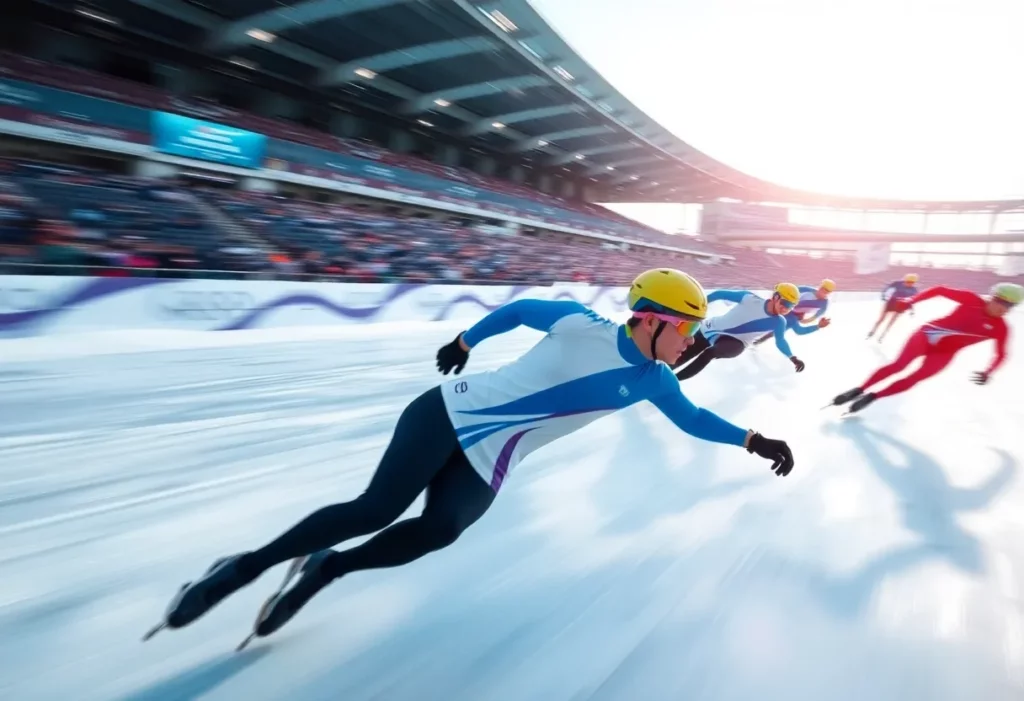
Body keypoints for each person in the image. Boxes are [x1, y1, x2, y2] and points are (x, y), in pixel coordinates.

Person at [143, 268, 795, 648]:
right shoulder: (580, 325)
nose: (689, 344)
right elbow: (519, 309)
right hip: (448, 412)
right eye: (684, 330)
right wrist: (464, 338)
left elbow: (693, 417)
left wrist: (753, 440)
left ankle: (324, 570)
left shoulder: (656, 380)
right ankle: (241, 569)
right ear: (650, 319)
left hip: (492, 455)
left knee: (440, 528)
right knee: (376, 507)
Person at [831, 281, 1022, 415]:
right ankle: (859, 389)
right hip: (926, 335)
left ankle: (873, 396)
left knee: (915, 378)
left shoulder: (1001, 328)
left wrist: (989, 371)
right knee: (899, 366)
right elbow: (938, 290)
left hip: (944, 353)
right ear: (993, 297)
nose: (1005, 309)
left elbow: (1002, 354)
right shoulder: (971, 300)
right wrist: (910, 301)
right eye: (1003, 302)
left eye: (1010, 306)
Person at [673, 282, 806, 381]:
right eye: (785, 303)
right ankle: (658, 378)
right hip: (709, 329)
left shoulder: (779, 322)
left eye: (791, 306)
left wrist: (793, 358)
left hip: (736, 343)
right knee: (675, 360)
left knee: (710, 353)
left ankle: (673, 382)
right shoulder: (749, 299)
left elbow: (780, 340)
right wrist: (696, 310)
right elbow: (719, 294)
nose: (786, 308)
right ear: (775, 297)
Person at [753, 279, 834, 346]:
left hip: (795, 315)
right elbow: (787, 291)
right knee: (767, 317)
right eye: (823, 289)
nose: (823, 292)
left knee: (776, 330)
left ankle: (756, 343)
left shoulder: (823, 304)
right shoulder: (806, 289)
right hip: (786, 307)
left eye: (827, 292)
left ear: (829, 293)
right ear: (820, 286)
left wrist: (806, 321)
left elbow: (813, 318)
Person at [867, 273, 919, 342]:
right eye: (907, 282)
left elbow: (912, 301)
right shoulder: (897, 283)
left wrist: (912, 310)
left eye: (912, 283)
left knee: (892, 321)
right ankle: (873, 331)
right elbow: (887, 288)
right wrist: (884, 296)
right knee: (881, 319)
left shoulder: (914, 290)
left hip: (901, 305)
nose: (909, 284)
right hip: (891, 302)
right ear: (905, 280)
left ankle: (883, 335)